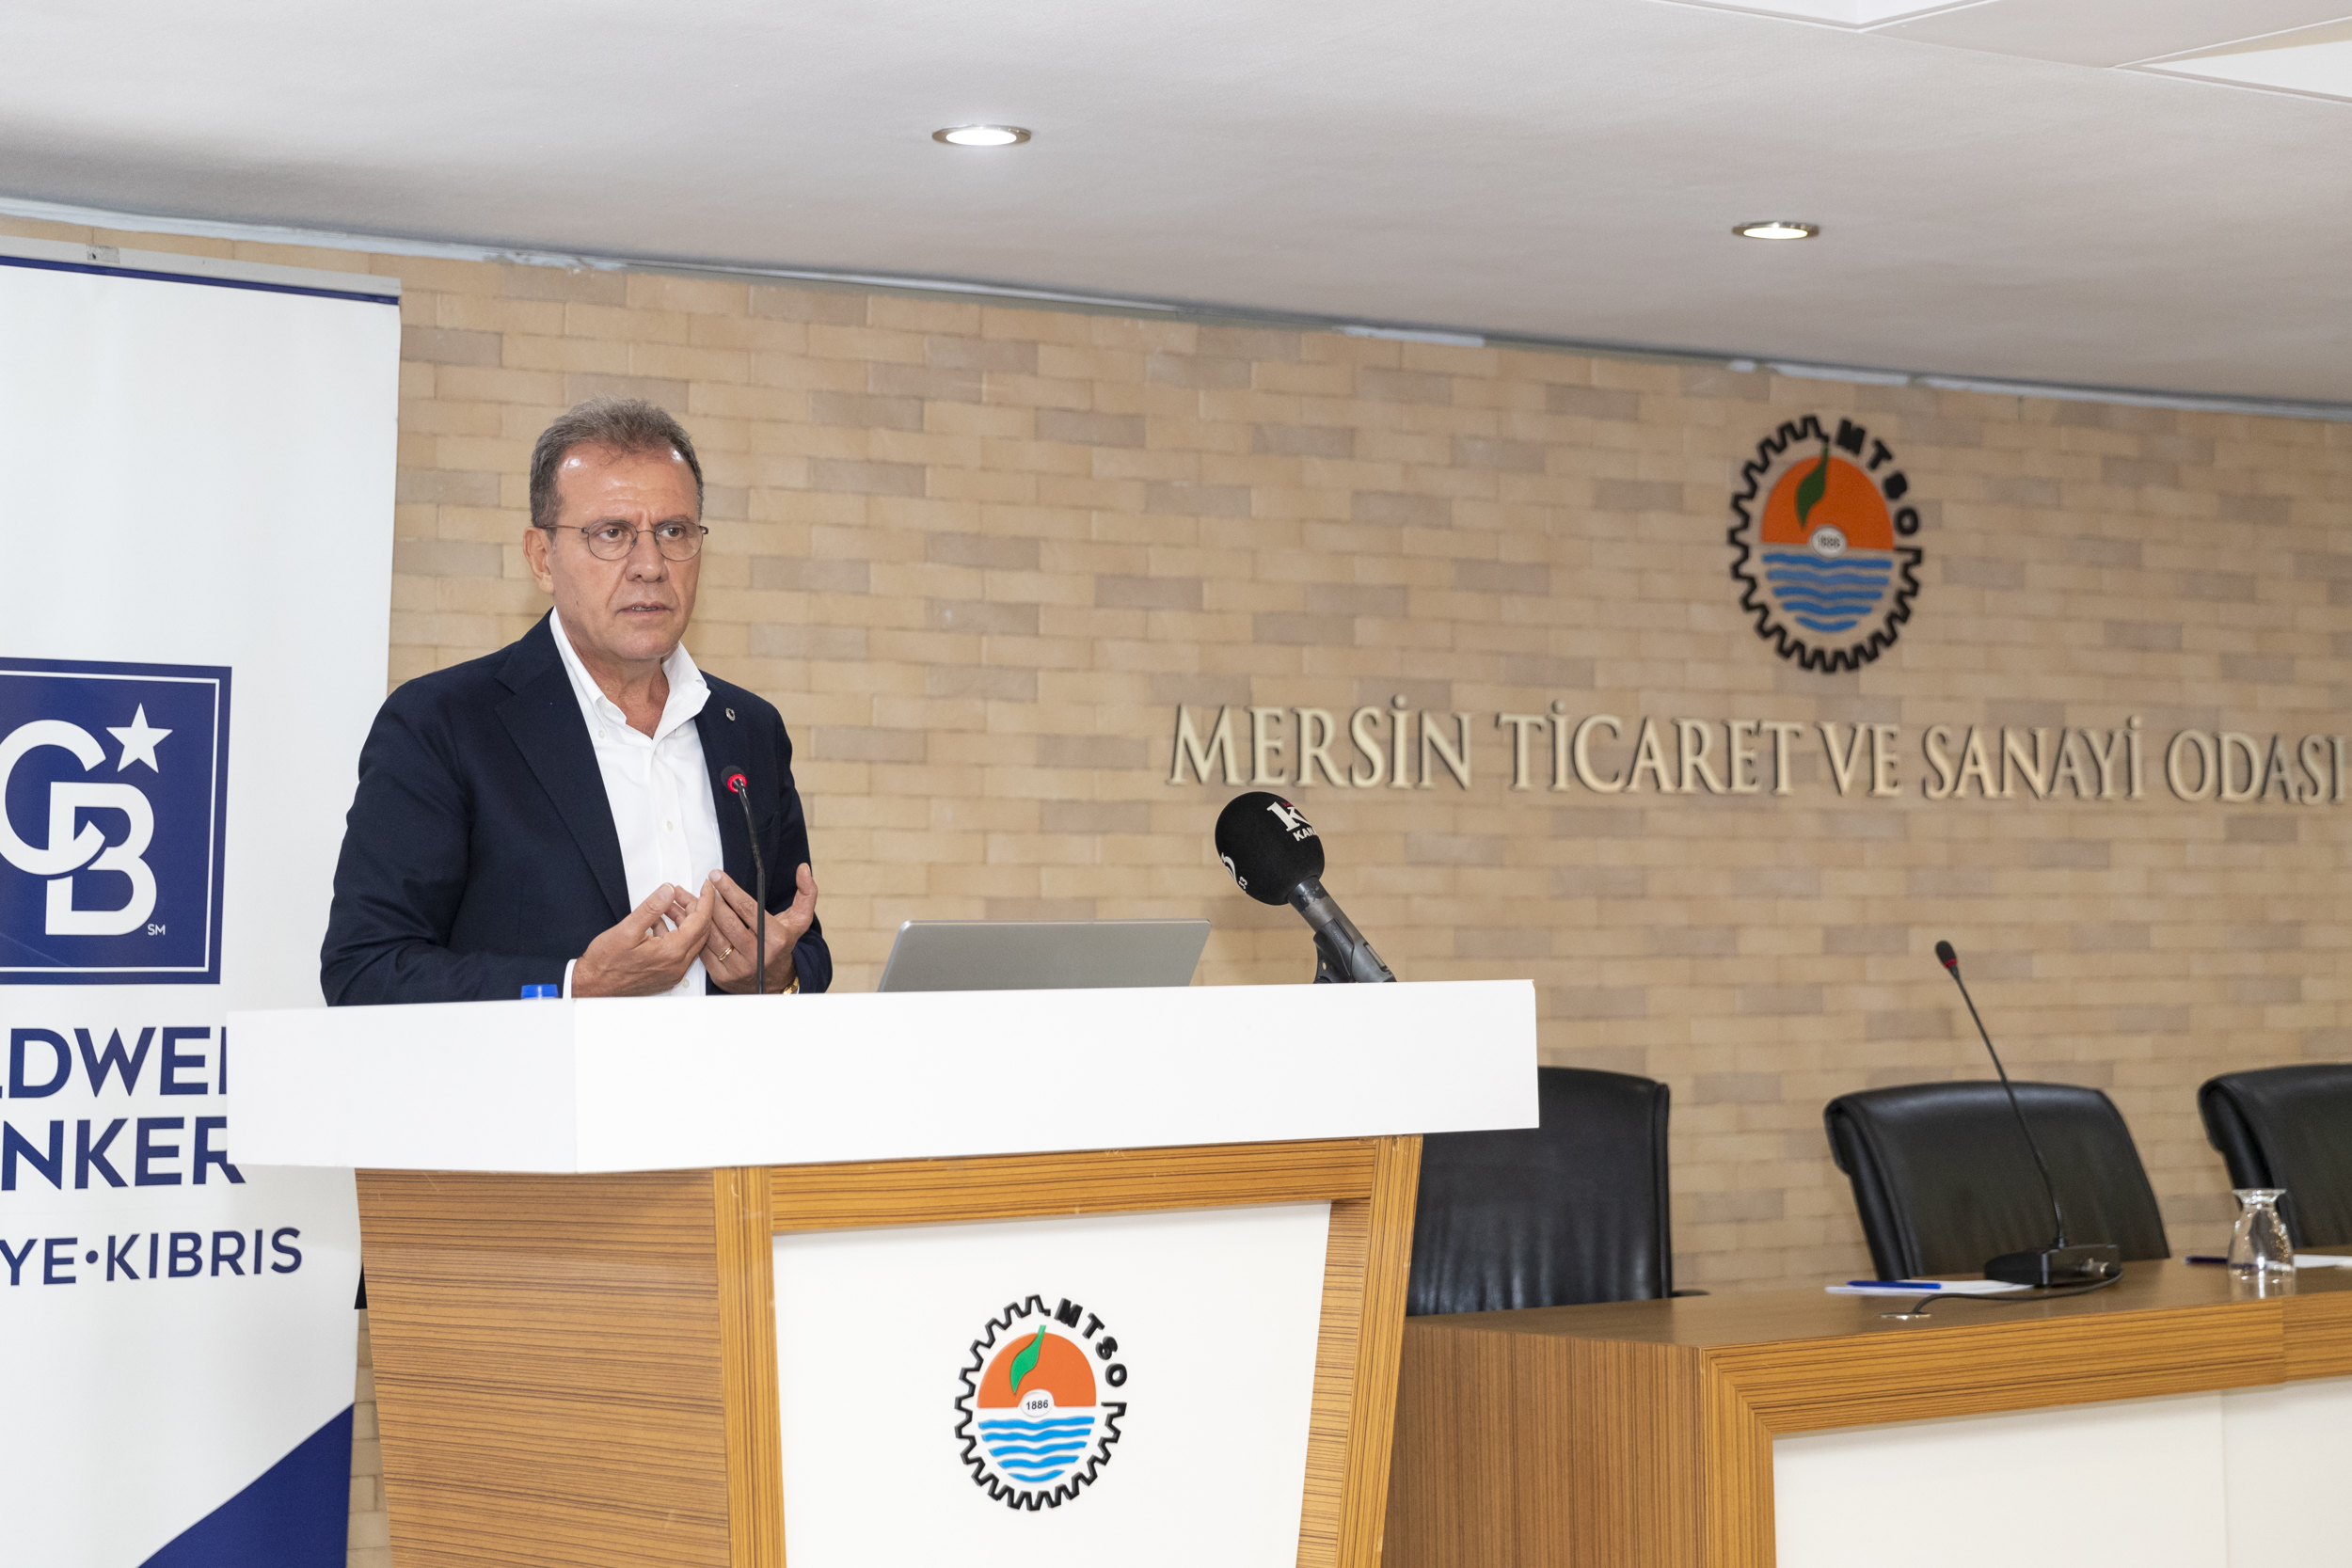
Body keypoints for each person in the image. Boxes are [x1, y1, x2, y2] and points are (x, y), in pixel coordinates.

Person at [321, 397, 828, 1004]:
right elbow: (365, 970)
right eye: (612, 534)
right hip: (537, 1070)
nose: (650, 565)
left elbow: (800, 945)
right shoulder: (442, 724)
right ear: (542, 558)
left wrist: (777, 976)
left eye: (673, 531)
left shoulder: (748, 729)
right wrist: (573, 986)